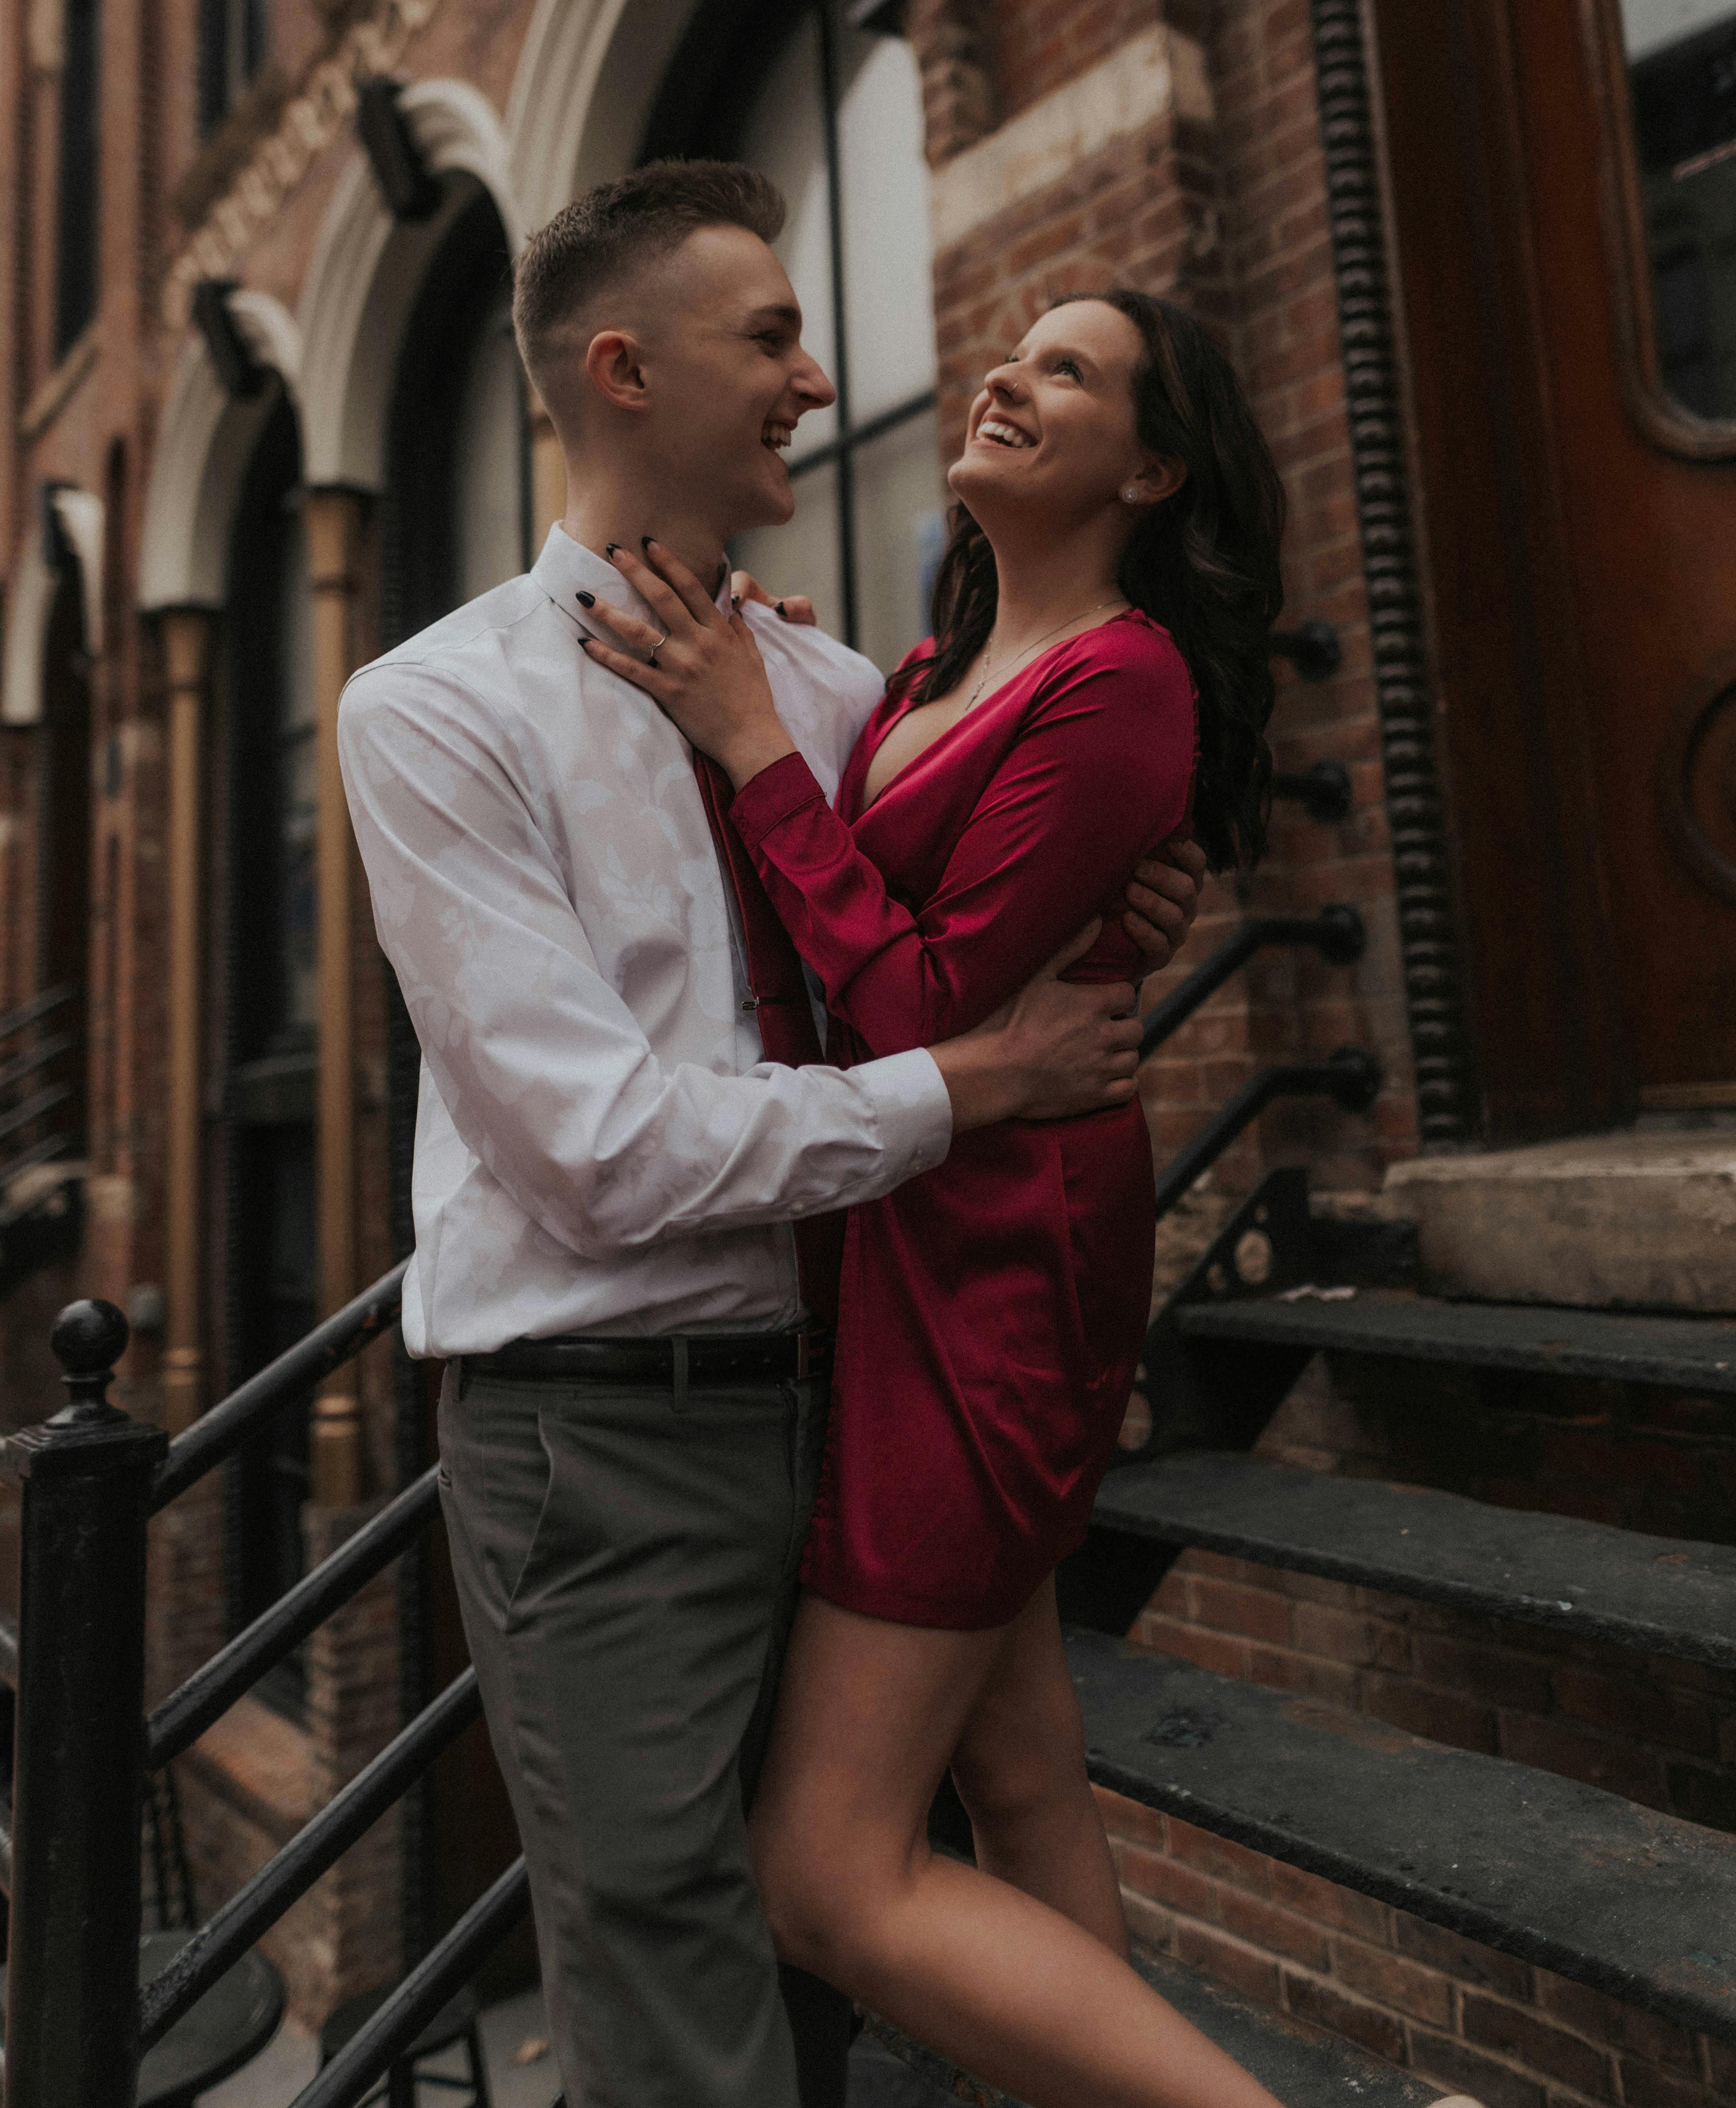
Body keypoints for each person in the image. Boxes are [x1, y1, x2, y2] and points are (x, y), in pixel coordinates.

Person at [336, 161, 1205, 2108]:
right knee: (677, 2001)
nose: (819, 374)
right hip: (602, 1423)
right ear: (624, 371)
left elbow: (954, 895)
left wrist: (1129, 886)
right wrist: (961, 1086)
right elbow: (595, 1146)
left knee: (857, 1912)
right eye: (775, 336)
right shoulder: (433, 708)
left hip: (851, 1375)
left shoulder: (826, 688)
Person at [579, 283, 1295, 2108]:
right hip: (897, 1228)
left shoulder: (1120, 679)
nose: (1004, 371)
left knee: (825, 1876)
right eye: (1015, 347)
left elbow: (910, 1007)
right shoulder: (917, 674)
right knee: (1022, 1772)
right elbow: (877, 937)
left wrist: (751, 739)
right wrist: (791, 696)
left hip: (993, 1257)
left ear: (1151, 464)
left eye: (1067, 367)